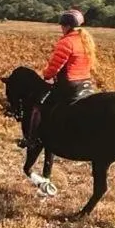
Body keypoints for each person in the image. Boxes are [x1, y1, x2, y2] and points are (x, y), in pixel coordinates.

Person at [25, 9, 97, 147]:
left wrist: (46, 75)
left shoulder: (67, 42)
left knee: (38, 106)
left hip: (69, 84)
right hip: (86, 83)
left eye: (62, 26)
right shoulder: (86, 40)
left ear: (67, 26)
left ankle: (32, 139)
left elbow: (54, 67)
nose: (61, 28)